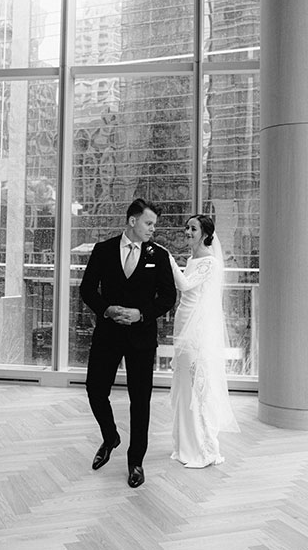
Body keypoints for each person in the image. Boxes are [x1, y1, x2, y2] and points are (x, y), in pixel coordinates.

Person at [80, 198, 177, 488]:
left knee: (140, 402)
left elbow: (168, 297)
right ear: (132, 221)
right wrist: (107, 309)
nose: (152, 229)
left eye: (154, 224)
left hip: (141, 339)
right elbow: (87, 289)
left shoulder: (159, 255)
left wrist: (141, 314)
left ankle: (136, 461)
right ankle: (110, 437)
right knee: (95, 390)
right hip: (108, 335)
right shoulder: (103, 250)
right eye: (149, 223)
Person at [166, 214, 239, 468]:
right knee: (185, 384)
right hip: (182, 321)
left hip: (196, 329)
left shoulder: (209, 262)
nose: (187, 232)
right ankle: (184, 445)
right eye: (186, 227)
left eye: (193, 228)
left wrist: (169, 261)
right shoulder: (192, 259)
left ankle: (203, 449)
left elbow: (185, 285)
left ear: (206, 234)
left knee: (197, 385)